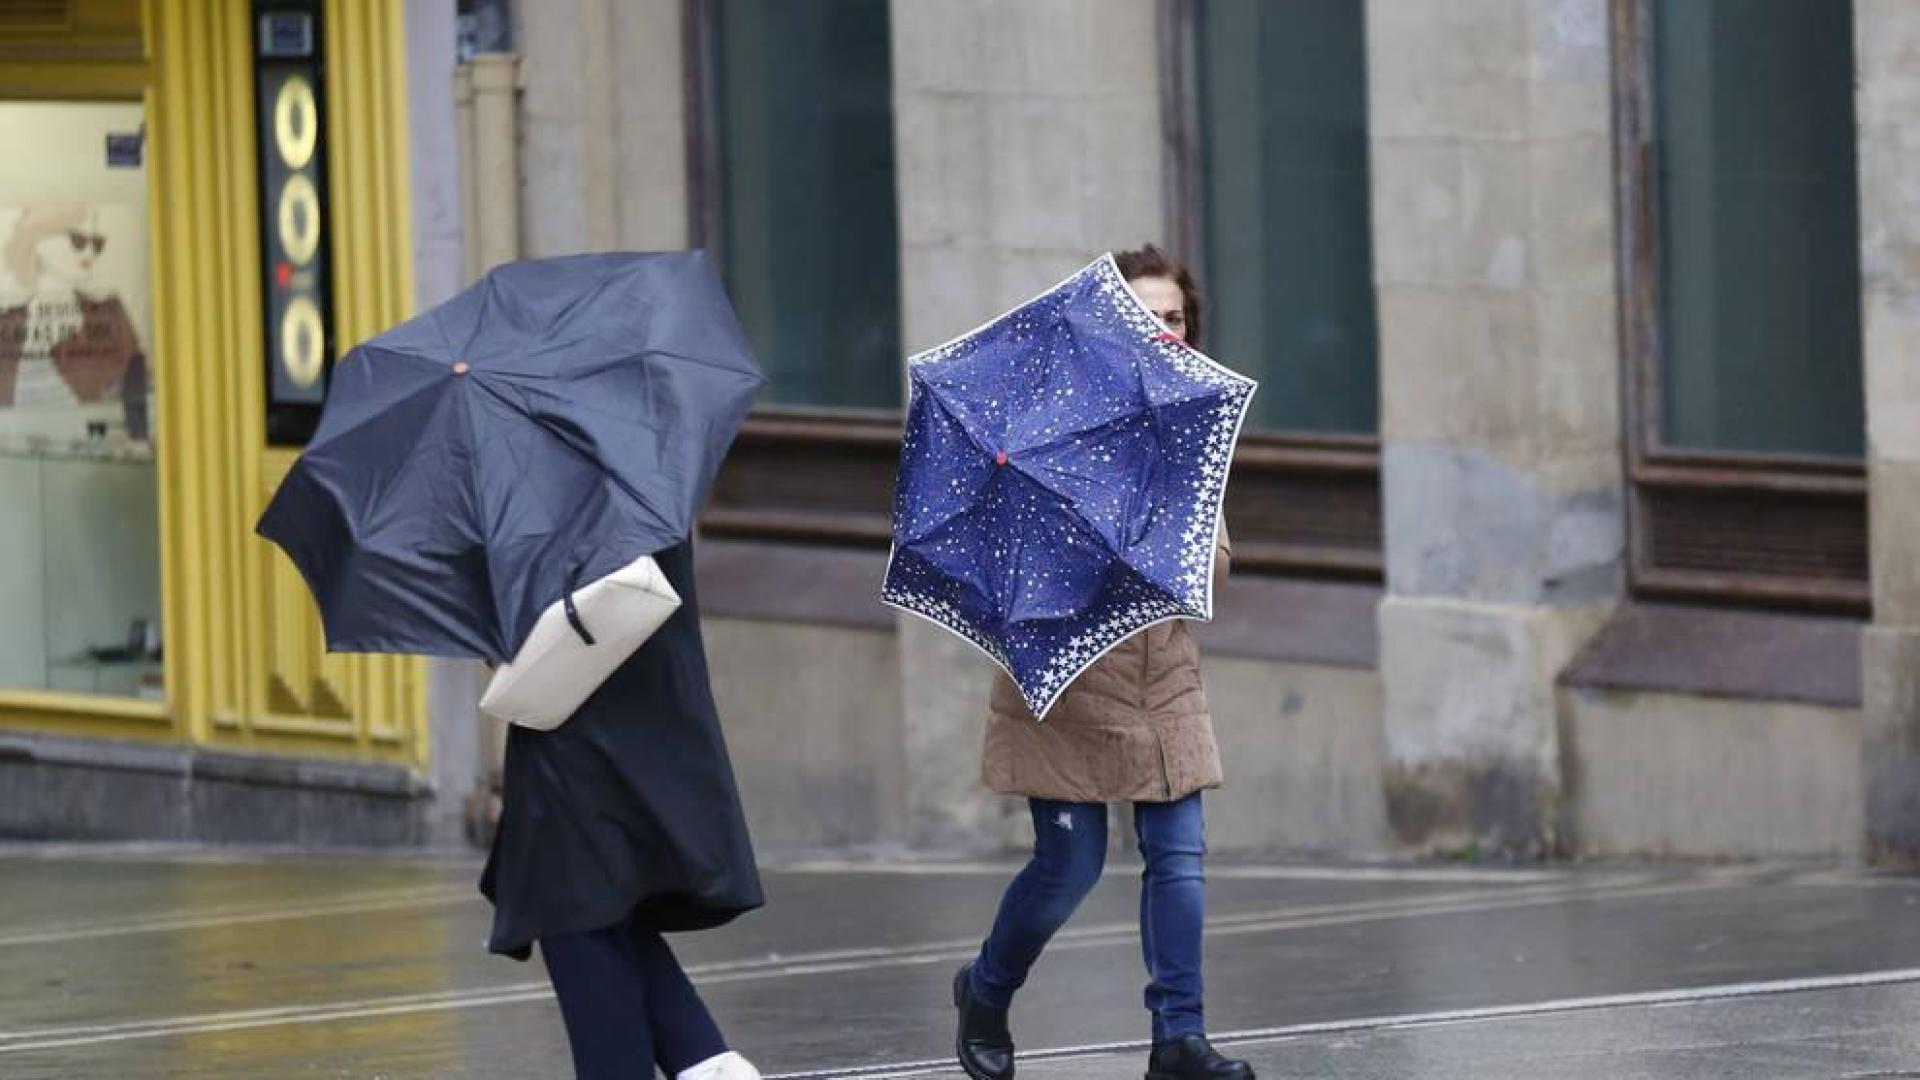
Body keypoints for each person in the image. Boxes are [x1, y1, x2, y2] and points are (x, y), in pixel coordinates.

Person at [952, 244, 1254, 1080]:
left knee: (1180, 861)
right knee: (1068, 869)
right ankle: (985, 988)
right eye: (1144, 317)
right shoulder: (1036, 429)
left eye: (1176, 319)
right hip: (1064, 679)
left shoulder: (1192, 428)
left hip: (1162, 680)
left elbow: (1212, 573)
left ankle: (1179, 1040)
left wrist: (1177, 518)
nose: (1164, 333)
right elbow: (1013, 572)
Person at [481, 539, 765, 1080]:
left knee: (569, 889)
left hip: (584, 663)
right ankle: (707, 1062)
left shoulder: (565, 461)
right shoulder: (650, 464)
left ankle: (703, 1061)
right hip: (613, 657)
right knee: (588, 886)